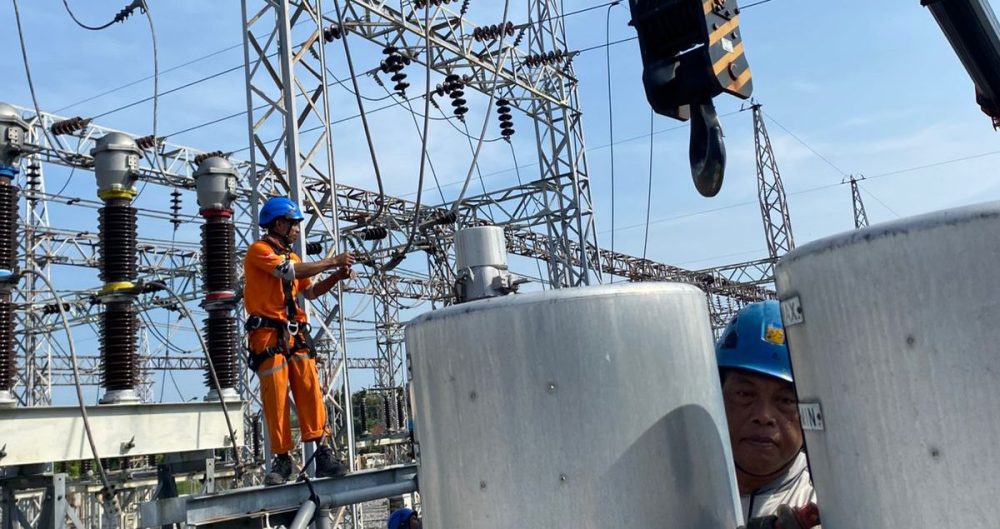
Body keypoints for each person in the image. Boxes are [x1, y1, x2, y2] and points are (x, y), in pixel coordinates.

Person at [244, 196, 356, 486]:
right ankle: (282, 459)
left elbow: (311, 292)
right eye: (293, 224)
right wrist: (332, 260)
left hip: (295, 333)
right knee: (277, 394)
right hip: (268, 335)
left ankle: (322, 451)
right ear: (278, 223)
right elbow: (289, 273)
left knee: (309, 389)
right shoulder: (258, 251)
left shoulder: (293, 257)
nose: (296, 229)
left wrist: (336, 276)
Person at [716, 300, 820, 527]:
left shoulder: (828, 504)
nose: (764, 416)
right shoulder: (673, 490)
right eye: (744, 394)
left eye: (785, 400)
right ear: (716, 395)